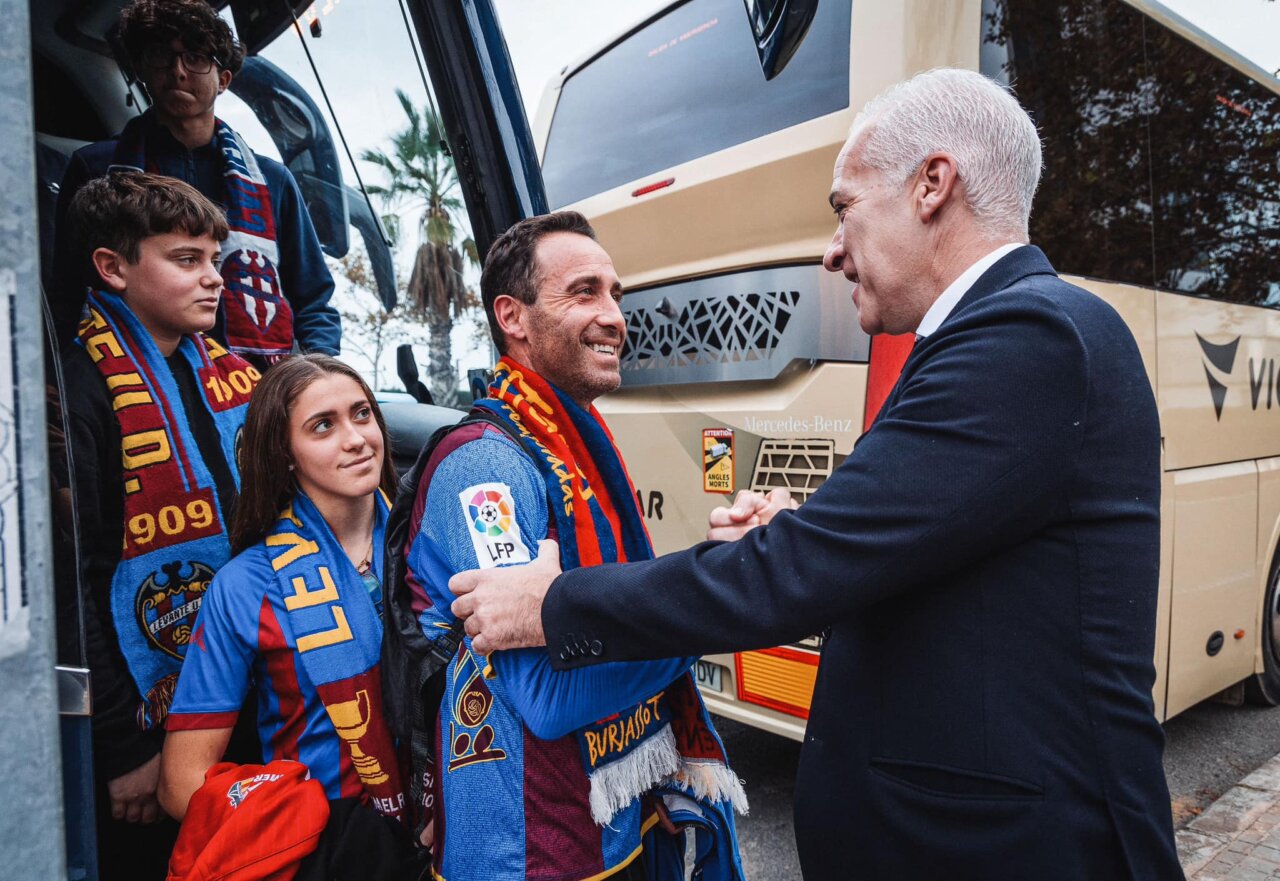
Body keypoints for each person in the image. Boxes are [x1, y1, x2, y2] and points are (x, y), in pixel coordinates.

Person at [449, 69, 1185, 880]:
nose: (833, 251)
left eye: (844, 209)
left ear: (932, 185)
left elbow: (811, 567)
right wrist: (790, 538)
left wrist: (550, 603)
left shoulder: (1029, 335)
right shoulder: (993, 339)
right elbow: (899, 546)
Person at [401, 212, 745, 881]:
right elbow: (549, 695)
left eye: (615, 292)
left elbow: (614, 616)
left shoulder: (579, 445)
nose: (614, 314)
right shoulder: (485, 470)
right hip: (530, 855)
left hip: (613, 819)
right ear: (513, 316)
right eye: (584, 291)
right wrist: (713, 603)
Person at [61, 170, 260, 880]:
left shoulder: (229, 375)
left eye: (216, 259)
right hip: (141, 723)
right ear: (113, 268)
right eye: (186, 260)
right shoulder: (78, 389)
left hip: (242, 691)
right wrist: (124, 748)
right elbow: (74, 580)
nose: (214, 280)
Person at [159, 354, 421, 881]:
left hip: (453, 836)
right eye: (323, 426)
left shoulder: (434, 547)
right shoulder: (244, 586)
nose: (355, 439)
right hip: (327, 854)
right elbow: (181, 782)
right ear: (284, 454)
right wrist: (313, 838)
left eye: (362, 414)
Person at [52, 0, 340, 364]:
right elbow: (68, 290)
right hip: (128, 377)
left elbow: (312, 299)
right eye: (161, 55)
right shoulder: (95, 168)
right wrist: (62, 375)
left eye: (196, 58)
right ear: (142, 67)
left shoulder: (272, 180)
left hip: (253, 385)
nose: (178, 71)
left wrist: (319, 376)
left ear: (223, 80)